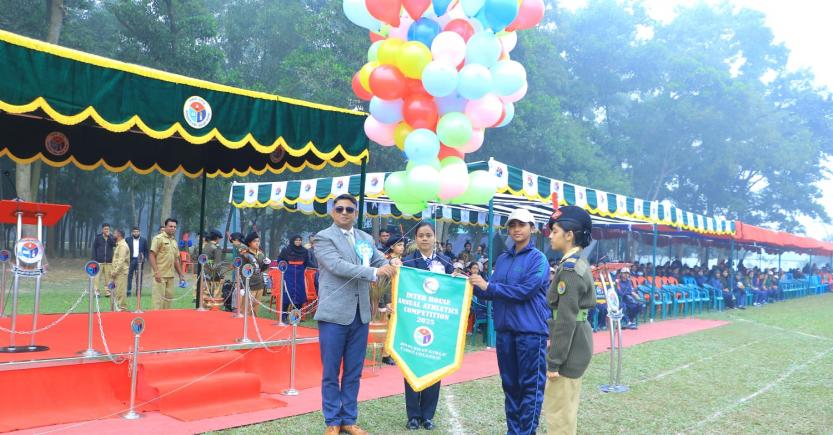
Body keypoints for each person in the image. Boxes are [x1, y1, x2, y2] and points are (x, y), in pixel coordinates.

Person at [313, 194, 396, 435]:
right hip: (334, 315)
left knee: (353, 371)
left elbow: (380, 259)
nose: (345, 212)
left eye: (350, 209)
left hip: (361, 315)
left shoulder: (365, 238)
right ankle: (332, 421)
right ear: (332, 212)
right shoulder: (323, 237)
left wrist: (393, 264)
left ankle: (349, 420)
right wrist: (374, 271)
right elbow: (337, 266)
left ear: (355, 212)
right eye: (339, 208)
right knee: (330, 372)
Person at [470, 208, 550, 435]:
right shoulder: (503, 259)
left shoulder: (539, 259)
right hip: (505, 331)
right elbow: (491, 291)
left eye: (521, 225)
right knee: (510, 386)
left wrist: (489, 287)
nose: (516, 229)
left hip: (530, 332)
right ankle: (513, 431)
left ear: (532, 229)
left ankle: (526, 432)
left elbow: (525, 290)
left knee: (530, 387)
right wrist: (473, 284)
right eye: (512, 225)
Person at [543, 206, 596, 435]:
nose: (550, 235)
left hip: (569, 347)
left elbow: (566, 319)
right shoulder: (577, 263)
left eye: (555, 230)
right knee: (566, 412)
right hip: (577, 343)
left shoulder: (570, 269)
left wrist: (554, 362)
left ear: (569, 235)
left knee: (559, 415)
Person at [400, 222, 454, 431]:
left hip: (437, 322)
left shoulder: (446, 262)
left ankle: (427, 415)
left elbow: (452, 290)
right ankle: (413, 415)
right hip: (413, 322)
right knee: (411, 365)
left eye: (428, 235)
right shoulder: (408, 262)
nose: (424, 239)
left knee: (434, 366)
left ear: (434, 238)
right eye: (421, 235)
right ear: (415, 238)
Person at [375, 236, 407, 366]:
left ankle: (394, 352)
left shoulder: (402, 260)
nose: (402, 248)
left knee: (397, 327)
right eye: (399, 245)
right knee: (389, 327)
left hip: (400, 297)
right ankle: (385, 354)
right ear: (392, 247)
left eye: (403, 245)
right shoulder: (387, 261)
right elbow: (385, 283)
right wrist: (386, 302)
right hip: (390, 297)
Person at [149, 218, 184, 310]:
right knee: (158, 301)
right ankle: (156, 322)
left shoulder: (174, 242)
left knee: (168, 302)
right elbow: (152, 255)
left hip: (171, 276)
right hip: (160, 275)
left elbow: (176, 260)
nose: (173, 228)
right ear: (165, 227)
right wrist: (156, 272)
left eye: (175, 227)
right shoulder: (158, 239)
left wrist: (180, 274)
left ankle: (165, 322)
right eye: (171, 226)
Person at [278, 235, 314, 312]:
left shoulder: (304, 251)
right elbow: (280, 260)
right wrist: (285, 267)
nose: (298, 241)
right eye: (296, 240)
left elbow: (306, 262)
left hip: (300, 275)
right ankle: (284, 316)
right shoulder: (286, 250)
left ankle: (295, 317)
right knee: (287, 293)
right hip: (288, 275)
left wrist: (300, 268)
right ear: (293, 241)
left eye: (300, 240)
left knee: (299, 295)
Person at [240, 232, 269, 317]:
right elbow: (242, 270)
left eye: (258, 241)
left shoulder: (261, 254)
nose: (257, 243)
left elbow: (262, 269)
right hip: (249, 283)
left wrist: (267, 264)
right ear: (249, 243)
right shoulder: (245, 254)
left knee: (256, 306)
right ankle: (243, 324)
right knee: (247, 308)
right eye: (254, 241)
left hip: (259, 283)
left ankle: (254, 323)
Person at [91, 223, 115, 297]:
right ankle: (96, 292)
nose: (106, 230)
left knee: (108, 278)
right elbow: (94, 249)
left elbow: (114, 244)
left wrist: (109, 237)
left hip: (109, 262)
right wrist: (94, 260)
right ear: (102, 229)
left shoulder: (111, 237)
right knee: (97, 278)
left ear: (109, 229)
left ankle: (108, 292)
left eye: (107, 229)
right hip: (99, 262)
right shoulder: (98, 237)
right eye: (105, 229)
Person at [109, 229, 130, 311]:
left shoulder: (123, 246)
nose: (113, 234)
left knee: (120, 291)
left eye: (114, 233)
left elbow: (121, 260)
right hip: (116, 272)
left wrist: (115, 271)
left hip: (120, 272)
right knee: (114, 291)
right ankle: (114, 308)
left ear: (119, 235)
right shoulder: (118, 245)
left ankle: (122, 309)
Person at [202, 230, 224, 301]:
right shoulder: (217, 247)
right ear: (217, 238)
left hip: (205, 273)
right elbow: (218, 263)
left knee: (205, 295)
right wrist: (221, 276)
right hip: (214, 275)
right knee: (216, 295)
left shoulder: (205, 246)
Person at [126, 227, 148, 298]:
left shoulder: (143, 240)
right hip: (131, 260)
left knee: (139, 277)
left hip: (140, 261)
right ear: (132, 232)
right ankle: (128, 292)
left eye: (137, 231)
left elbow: (146, 250)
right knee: (129, 276)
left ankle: (138, 292)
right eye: (134, 232)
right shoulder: (128, 240)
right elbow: (125, 250)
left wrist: (145, 258)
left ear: (139, 232)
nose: (136, 233)